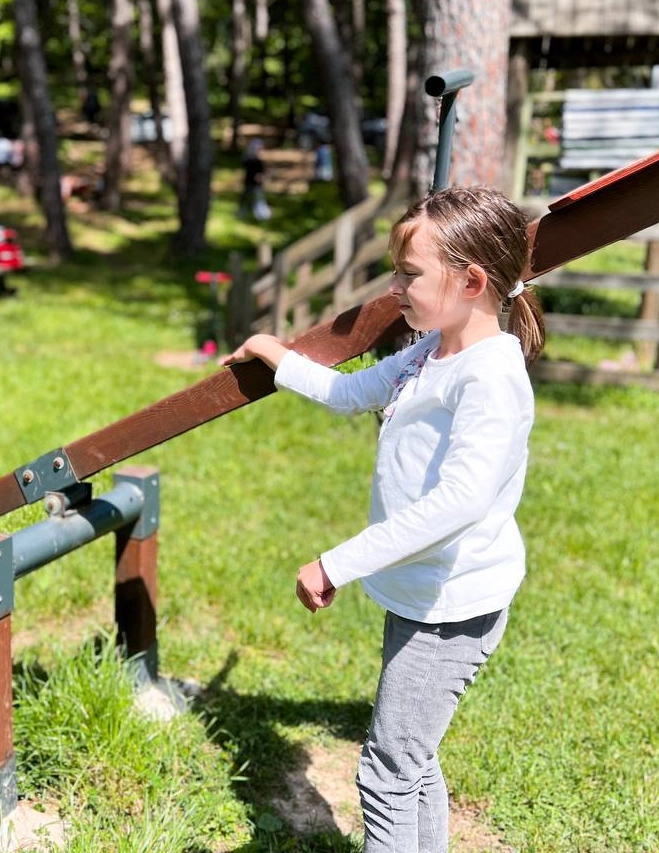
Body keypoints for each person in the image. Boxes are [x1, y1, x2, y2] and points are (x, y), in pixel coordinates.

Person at [220, 186, 545, 853]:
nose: (394, 286)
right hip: (423, 596)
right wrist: (276, 354)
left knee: (387, 771)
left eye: (409, 273)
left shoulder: (488, 378)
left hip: (449, 609)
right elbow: (350, 391)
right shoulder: (433, 350)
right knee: (412, 757)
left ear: (470, 280)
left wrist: (337, 561)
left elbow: (459, 503)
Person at [238, 139, 269, 220]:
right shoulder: (249, 159)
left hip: (257, 184)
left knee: (258, 198)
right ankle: (242, 212)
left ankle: (259, 214)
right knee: (246, 197)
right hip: (249, 181)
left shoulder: (258, 161)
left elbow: (262, 171)